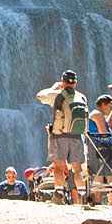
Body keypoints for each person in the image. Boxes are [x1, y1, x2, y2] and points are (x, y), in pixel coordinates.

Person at [36, 69, 87, 204]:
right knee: (77, 168)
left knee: (58, 166)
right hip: (76, 135)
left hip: (59, 135)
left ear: (62, 81)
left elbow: (39, 96)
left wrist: (54, 87)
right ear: (75, 83)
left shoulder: (57, 94)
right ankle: (83, 195)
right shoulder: (81, 97)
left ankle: (58, 194)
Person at [87, 95, 112, 204]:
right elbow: (104, 134)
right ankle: (111, 200)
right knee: (110, 170)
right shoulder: (97, 115)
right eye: (110, 106)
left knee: (105, 172)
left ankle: (109, 201)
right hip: (99, 149)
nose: (111, 109)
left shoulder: (101, 117)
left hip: (99, 149)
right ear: (103, 104)